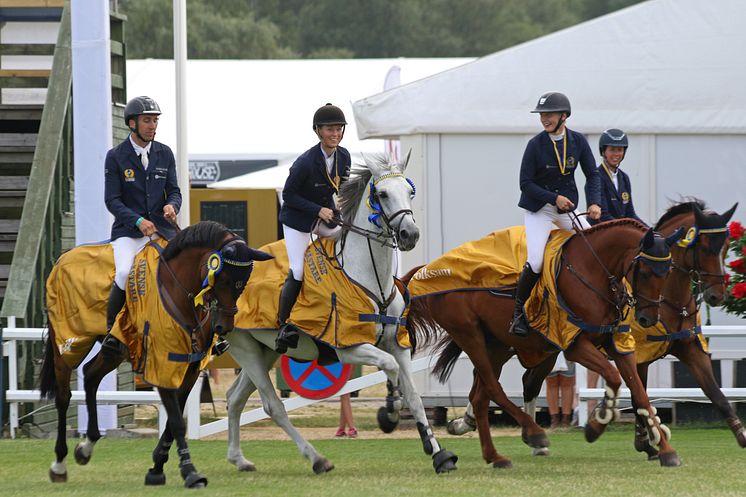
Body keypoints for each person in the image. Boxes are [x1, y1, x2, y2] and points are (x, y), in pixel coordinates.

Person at [510, 92, 602, 337]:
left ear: (564, 116)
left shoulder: (578, 141)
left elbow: (592, 175)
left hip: (567, 208)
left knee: (593, 244)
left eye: (548, 115)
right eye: (542, 115)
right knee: (538, 261)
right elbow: (525, 183)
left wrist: (594, 202)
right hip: (540, 210)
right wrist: (554, 198)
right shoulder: (535, 145)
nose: (544, 119)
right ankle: (518, 313)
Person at [102, 96, 181, 350]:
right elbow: (112, 201)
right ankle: (111, 333)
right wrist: (137, 221)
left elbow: (175, 191)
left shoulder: (165, 153)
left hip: (161, 230)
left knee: (188, 268)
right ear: (132, 123)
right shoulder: (115, 156)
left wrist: (173, 206)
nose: (152, 126)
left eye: (155, 120)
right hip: (128, 232)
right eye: (147, 120)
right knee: (125, 272)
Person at [275, 103, 352, 353]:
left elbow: (343, 190)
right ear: (318, 131)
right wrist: (319, 210)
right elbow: (288, 195)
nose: (336, 133)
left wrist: (341, 211)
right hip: (298, 220)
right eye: (330, 129)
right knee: (298, 269)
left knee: (350, 243)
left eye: (339, 128)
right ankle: (283, 324)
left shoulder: (345, 156)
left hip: (325, 217)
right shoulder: (305, 162)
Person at [588, 128, 645, 225]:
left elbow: (630, 213)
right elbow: (604, 215)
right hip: (600, 232)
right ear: (603, 151)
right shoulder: (595, 177)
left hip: (619, 231)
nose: (616, 154)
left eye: (619, 150)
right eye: (612, 150)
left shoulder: (624, 178)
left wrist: (649, 231)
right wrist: (627, 228)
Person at [545, 352, 576, 428]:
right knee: (551, 383)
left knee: (567, 383)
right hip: (549, 349)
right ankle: (554, 420)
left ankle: (565, 420)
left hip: (566, 347)